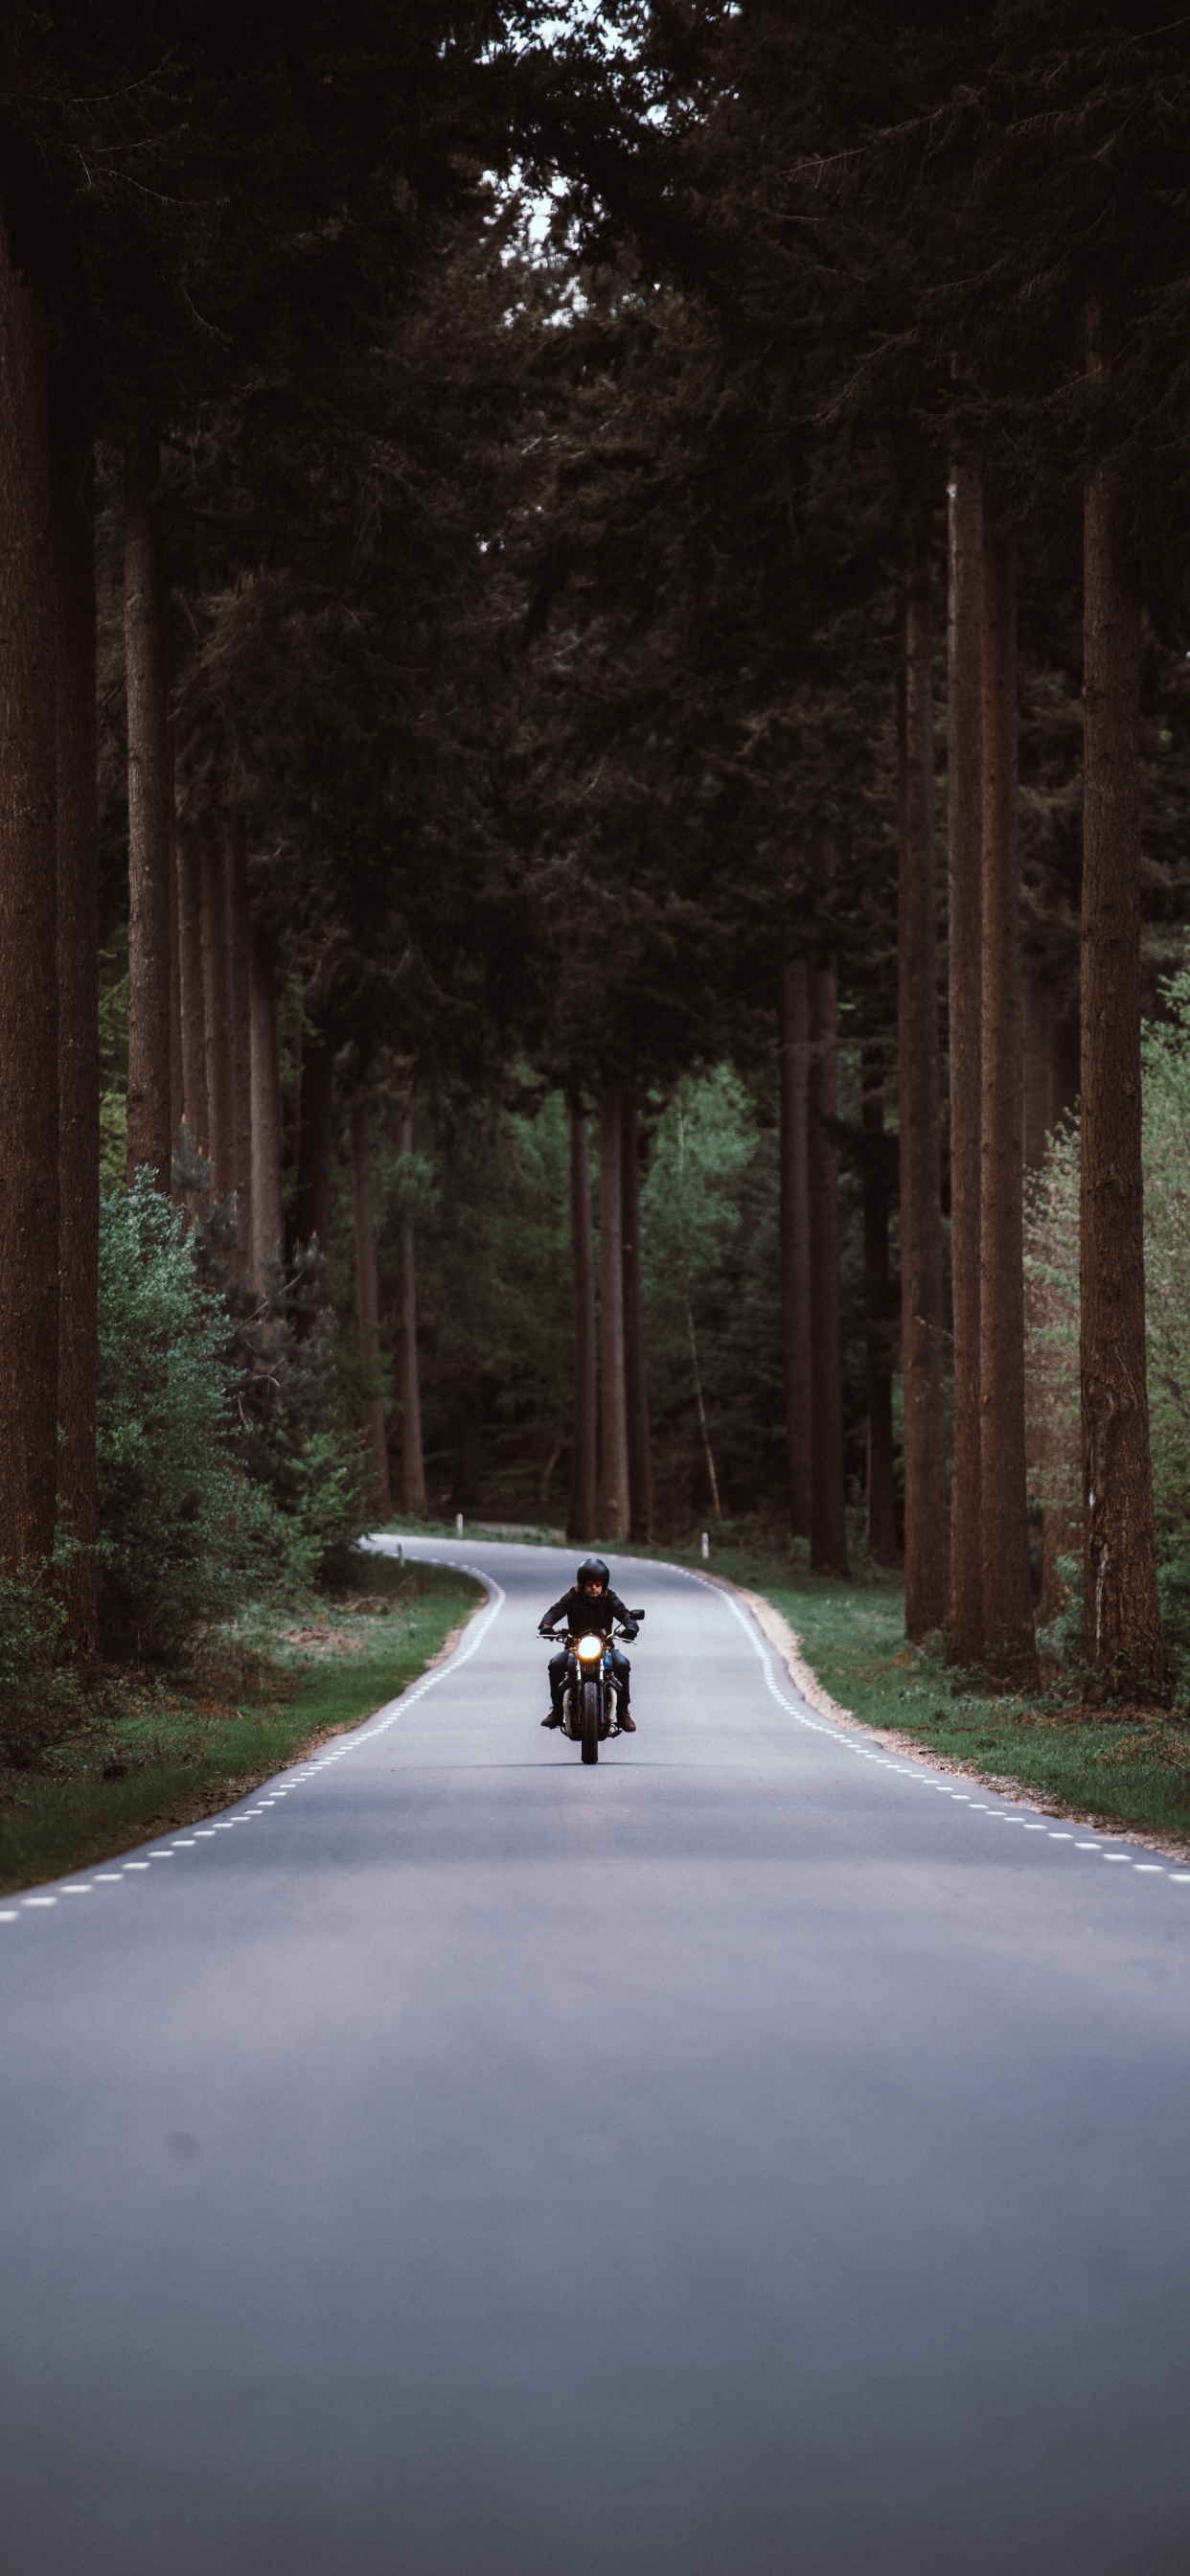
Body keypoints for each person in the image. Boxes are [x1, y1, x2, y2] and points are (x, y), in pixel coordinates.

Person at [539, 1557, 638, 1732]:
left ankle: (623, 1712)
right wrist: (547, 1625)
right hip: (574, 1648)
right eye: (590, 1583)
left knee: (623, 1664)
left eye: (598, 1583)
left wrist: (631, 1627)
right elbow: (556, 1610)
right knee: (555, 1664)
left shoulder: (610, 1598)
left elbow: (624, 1613)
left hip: (605, 1648)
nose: (594, 1587)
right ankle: (557, 1711)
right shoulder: (573, 1597)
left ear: (603, 1584)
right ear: (582, 1583)